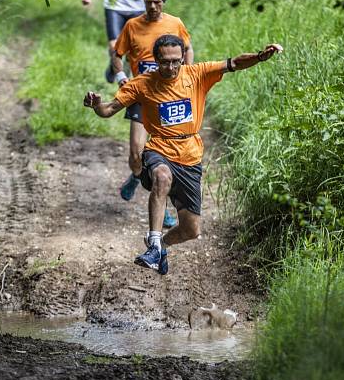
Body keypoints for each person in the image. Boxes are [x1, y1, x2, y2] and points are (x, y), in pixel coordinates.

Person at [83, 35, 283, 274]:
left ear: (182, 59)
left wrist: (259, 57)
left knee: (191, 230)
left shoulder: (196, 73)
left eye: (176, 61)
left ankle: (163, 246)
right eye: (165, 62)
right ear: (155, 60)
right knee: (162, 177)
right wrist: (96, 104)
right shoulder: (141, 83)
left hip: (190, 155)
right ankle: (154, 243)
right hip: (159, 148)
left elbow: (233, 64)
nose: (171, 67)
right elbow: (108, 110)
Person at [113, 0, 194, 228]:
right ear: (143, 1)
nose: (153, 6)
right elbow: (117, 56)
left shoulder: (175, 23)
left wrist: (187, 76)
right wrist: (121, 77)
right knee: (136, 154)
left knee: (168, 159)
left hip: (169, 96)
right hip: (142, 93)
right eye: (148, 1)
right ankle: (137, 175)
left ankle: (165, 207)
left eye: (157, 1)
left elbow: (188, 48)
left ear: (164, 2)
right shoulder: (132, 25)